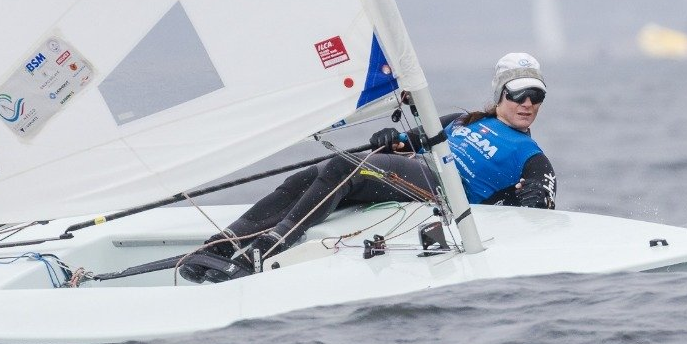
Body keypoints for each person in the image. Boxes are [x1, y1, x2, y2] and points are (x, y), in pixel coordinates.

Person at [178, 52, 557, 284]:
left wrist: (534, 195)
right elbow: (408, 142)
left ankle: (266, 248)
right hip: (414, 172)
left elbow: (542, 204)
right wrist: (388, 137)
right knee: (306, 178)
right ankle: (222, 245)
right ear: (500, 94)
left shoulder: (532, 156)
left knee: (346, 166)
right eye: (519, 93)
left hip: (440, 191)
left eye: (536, 96)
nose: (527, 103)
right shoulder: (461, 120)